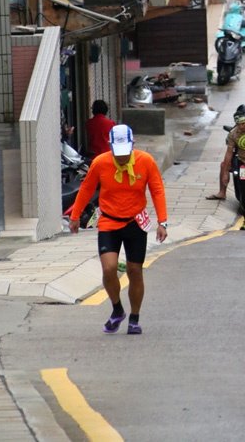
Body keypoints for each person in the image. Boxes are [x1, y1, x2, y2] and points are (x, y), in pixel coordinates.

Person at [69, 124, 168, 335]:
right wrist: (75, 216)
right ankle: (117, 309)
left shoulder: (146, 161)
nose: (121, 158)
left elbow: (157, 189)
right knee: (109, 268)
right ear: (110, 147)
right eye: (117, 153)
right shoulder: (100, 163)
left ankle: (134, 317)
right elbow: (87, 188)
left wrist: (163, 221)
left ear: (133, 145)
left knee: (134, 271)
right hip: (109, 221)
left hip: (135, 222)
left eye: (125, 153)